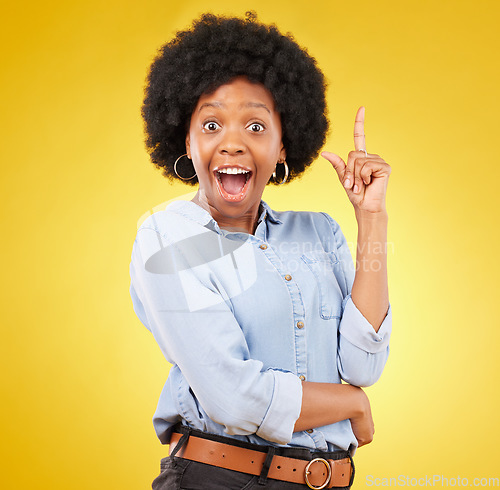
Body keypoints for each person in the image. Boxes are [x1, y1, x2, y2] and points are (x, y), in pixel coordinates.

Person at [129, 12, 392, 489]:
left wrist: (371, 218)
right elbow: (235, 400)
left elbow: (362, 365)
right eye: (211, 125)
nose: (231, 142)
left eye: (255, 126)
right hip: (217, 478)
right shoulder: (167, 237)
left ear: (283, 146)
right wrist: (352, 404)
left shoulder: (320, 234)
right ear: (185, 141)